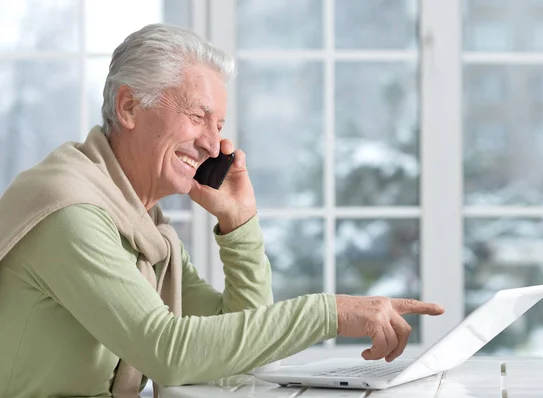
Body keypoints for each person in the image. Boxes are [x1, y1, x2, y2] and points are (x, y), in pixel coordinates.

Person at [0, 24, 444, 397]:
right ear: (129, 107)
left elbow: (234, 358)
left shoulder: (143, 227)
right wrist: (331, 313)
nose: (213, 145)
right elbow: (168, 351)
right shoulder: (70, 211)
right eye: (198, 116)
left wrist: (239, 224)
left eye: (219, 126)